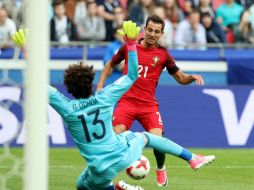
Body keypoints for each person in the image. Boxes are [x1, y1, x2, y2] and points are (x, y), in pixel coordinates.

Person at [13, 22, 215, 190]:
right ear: (90, 81)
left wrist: (27, 53)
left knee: (82, 186)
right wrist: (131, 43)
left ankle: (115, 186)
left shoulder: (67, 109)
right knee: (147, 137)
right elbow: (131, 75)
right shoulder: (105, 97)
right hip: (123, 153)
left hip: (100, 168)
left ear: (68, 87)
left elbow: (38, 82)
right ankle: (191, 158)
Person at [96, 15, 205, 187]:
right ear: (144, 29)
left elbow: (180, 77)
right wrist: (100, 84)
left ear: (161, 34)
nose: (152, 34)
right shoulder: (130, 47)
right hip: (127, 102)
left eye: (157, 31)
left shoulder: (163, 55)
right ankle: (108, 179)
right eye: (150, 30)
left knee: (158, 141)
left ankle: (160, 168)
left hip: (148, 105)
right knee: (115, 136)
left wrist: (192, 77)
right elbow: (110, 64)